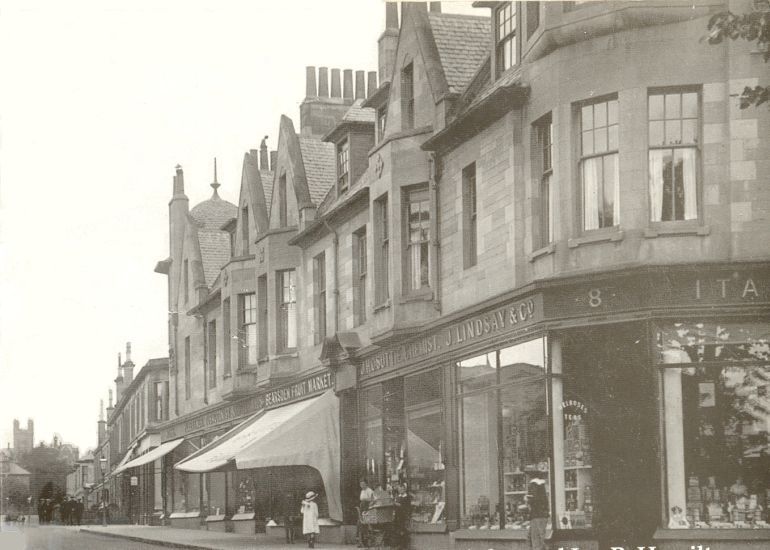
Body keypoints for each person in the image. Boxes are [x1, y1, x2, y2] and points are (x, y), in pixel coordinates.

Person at [527, 477, 549, 550]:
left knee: (535, 541)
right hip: (542, 516)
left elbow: (533, 500)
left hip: (536, 516)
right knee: (540, 541)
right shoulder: (542, 485)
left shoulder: (533, 484)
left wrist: (527, 500)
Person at [392, 483, 411, 550]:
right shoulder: (398, 496)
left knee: (402, 529)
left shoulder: (407, 497)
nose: (400, 490)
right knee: (397, 529)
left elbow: (406, 507)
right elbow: (395, 505)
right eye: (399, 489)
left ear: (405, 489)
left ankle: (403, 544)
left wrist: (397, 504)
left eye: (402, 489)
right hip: (397, 515)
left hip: (403, 515)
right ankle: (399, 544)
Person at [357, 480, 375, 547]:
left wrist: (367, 503)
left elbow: (373, 500)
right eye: (361, 484)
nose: (362, 486)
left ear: (366, 484)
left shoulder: (369, 491)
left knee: (364, 523)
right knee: (360, 523)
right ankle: (361, 541)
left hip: (367, 508)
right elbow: (361, 499)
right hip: (362, 507)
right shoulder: (362, 491)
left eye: (363, 484)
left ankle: (366, 541)